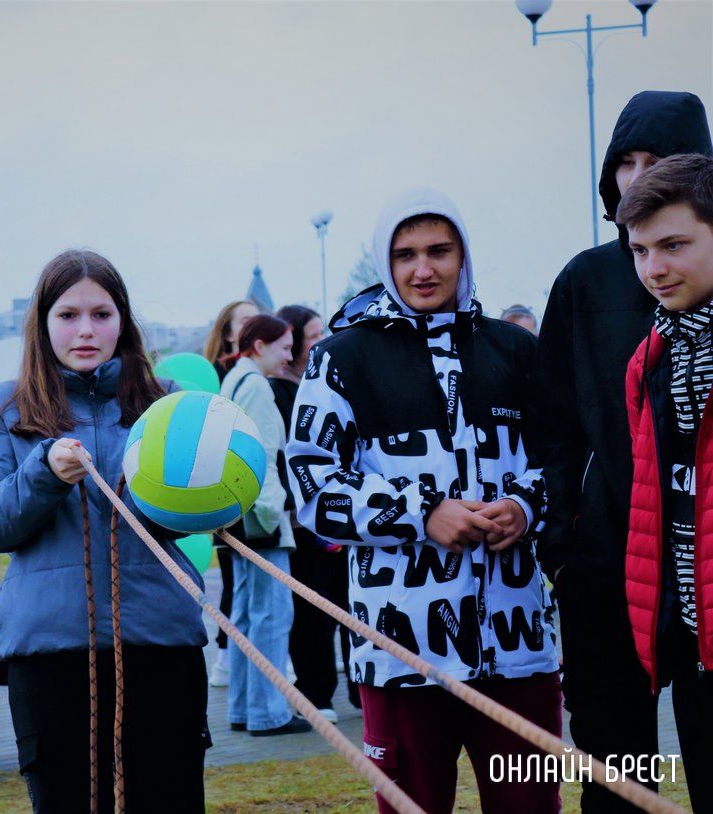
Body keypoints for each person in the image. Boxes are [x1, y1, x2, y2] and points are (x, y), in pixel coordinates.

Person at [287, 188, 559, 814]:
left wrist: (525, 506)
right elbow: (313, 489)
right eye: (405, 254)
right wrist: (421, 513)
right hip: (401, 653)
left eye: (440, 250)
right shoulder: (339, 359)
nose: (423, 269)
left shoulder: (515, 349)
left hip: (519, 651)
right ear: (386, 263)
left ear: (465, 256)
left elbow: (565, 463)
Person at [0, 249, 209, 813]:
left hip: (160, 638)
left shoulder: (166, 402)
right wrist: (43, 473)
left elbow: (205, 516)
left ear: (123, 320)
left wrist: (205, 486)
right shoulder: (5, 406)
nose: (86, 330)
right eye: (68, 315)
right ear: (43, 323)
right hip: (51, 648)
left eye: (101, 314)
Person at [532, 90, 713, 810]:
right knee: (613, 763)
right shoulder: (584, 279)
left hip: (700, 560)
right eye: (625, 164)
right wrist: (562, 534)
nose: (638, 179)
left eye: (658, 162)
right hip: (610, 553)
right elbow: (553, 419)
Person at [618, 154, 713, 814]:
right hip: (690, 643)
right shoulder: (648, 356)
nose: (654, 269)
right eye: (641, 250)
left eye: (674, 245)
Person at [220, 314, 311, 736]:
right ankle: (268, 712)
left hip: (238, 516)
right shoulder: (256, 386)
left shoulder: (235, 380)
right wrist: (275, 514)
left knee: (245, 616)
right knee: (272, 616)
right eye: (284, 346)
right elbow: (262, 457)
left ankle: (243, 707)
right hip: (261, 519)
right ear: (259, 346)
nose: (290, 355)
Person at [270, 305, 356, 720]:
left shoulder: (332, 383)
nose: (322, 340)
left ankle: (360, 687)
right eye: (314, 334)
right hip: (305, 522)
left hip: (342, 518)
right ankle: (316, 694)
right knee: (312, 614)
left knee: (349, 606)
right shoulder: (278, 389)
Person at [202, 299, 258, 686]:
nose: (254, 325)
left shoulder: (257, 373)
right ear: (227, 331)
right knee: (233, 575)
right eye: (245, 321)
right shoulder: (220, 376)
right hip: (221, 487)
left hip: (248, 485)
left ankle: (240, 654)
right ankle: (225, 651)